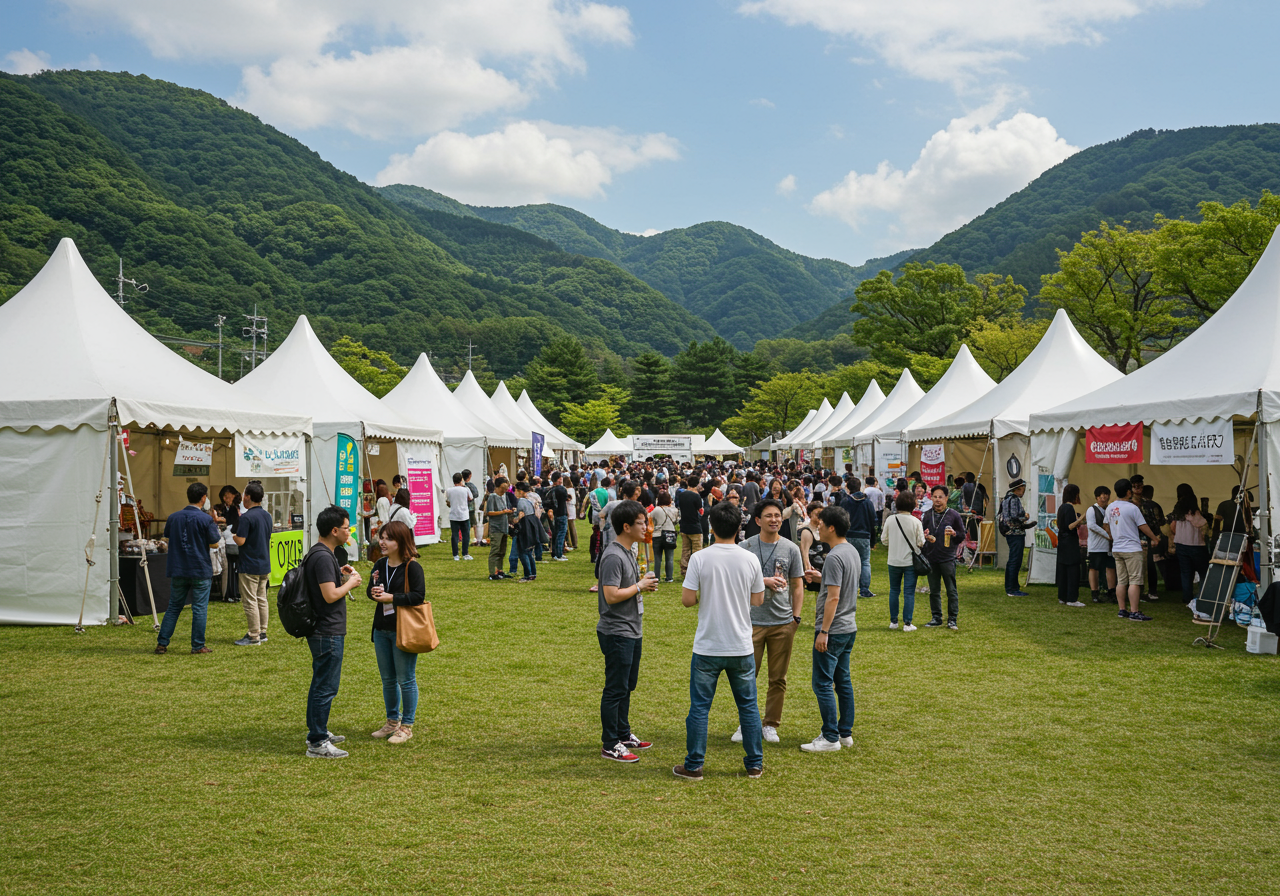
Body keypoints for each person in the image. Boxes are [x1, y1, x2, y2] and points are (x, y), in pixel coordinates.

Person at [675, 501, 766, 780]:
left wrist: (708, 598)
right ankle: (754, 763)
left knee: (700, 708)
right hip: (740, 644)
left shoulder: (700, 558)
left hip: (708, 645)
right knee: (748, 705)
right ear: (739, 527)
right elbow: (758, 599)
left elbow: (688, 600)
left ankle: (694, 765)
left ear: (710, 527)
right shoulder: (749, 558)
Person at [732, 498, 805, 746]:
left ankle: (771, 724)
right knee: (746, 676)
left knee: (778, 678)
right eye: (768, 516)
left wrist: (796, 617)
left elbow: (797, 584)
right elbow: (736, 582)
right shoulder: (744, 547)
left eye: (777, 515)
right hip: (751, 621)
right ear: (757, 520)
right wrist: (764, 581)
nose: (774, 520)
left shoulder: (791, 548)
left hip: (783, 623)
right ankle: (746, 722)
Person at [597, 499, 658, 763]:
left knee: (627, 685)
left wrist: (640, 586)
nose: (646, 526)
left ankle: (623, 733)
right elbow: (610, 596)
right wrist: (640, 587)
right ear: (626, 526)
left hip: (632, 628)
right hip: (617, 630)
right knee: (615, 687)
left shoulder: (629, 551)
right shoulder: (613, 555)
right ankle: (610, 743)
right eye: (641, 522)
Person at [304, 505, 363, 759]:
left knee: (322, 683)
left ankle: (318, 731)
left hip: (323, 628)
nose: (349, 531)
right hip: (326, 630)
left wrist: (338, 574)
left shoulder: (321, 554)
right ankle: (317, 742)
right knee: (325, 686)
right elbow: (329, 596)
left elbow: (322, 587)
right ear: (334, 530)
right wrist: (351, 583)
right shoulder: (323, 556)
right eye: (347, 527)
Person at [800, 505, 859, 752]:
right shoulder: (850, 550)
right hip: (848, 627)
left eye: (820, 524)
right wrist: (821, 577)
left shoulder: (834, 556)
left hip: (833, 629)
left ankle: (830, 737)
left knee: (823, 683)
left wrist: (823, 631)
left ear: (831, 527)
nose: (817, 527)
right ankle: (844, 733)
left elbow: (834, 597)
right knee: (842, 680)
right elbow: (842, 583)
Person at [367, 519, 425, 745]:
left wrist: (392, 598)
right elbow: (370, 593)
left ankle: (406, 726)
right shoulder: (380, 565)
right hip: (382, 629)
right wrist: (374, 592)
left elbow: (418, 596)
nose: (382, 542)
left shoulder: (412, 566)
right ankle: (392, 721)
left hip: (404, 630)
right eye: (381, 537)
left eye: (388, 538)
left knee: (406, 679)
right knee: (388, 679)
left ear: (400, 542)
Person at [154, 482, 223, 655]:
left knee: (174, 606)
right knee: (199, 608)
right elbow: (214, 543)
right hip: (199, 568)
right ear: (203, 498)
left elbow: (167, 539)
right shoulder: (206, 519)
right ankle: (198, 645)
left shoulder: (173, 517)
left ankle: (162, 643)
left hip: (178, 568)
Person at [1103, 478, 1157, 622]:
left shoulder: (1110, 507)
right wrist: (1155, 538)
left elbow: (1105, 525)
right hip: (1132, 548)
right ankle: (1135, 611)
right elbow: (1143, 526)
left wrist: (1113, 535)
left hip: (1117, 548)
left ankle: (1122, 610)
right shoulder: (1133, 508)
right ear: (1129, 491)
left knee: (1121, 581)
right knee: (1134, 581)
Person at [232, 481, 273, 646]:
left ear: (247, 497)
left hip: (249, 565)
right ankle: (262, 631)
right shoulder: (266, 515)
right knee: (261, 598)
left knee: (250, 600)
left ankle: (253, 635)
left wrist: (233, 536)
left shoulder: (247, 517)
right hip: (264, 563)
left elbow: (241, 541)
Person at [921, 484, 964, 628]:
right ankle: (936, 617)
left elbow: (962, 535)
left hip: (948, 557)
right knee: (934, 590)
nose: (937, 500)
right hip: (931, 557)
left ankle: (952, 619)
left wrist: (954, 534)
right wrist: (924, 536)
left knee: (951, 590)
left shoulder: (954, 515)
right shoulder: (927, 515)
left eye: (940, 497)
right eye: (935, 497)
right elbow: (921, 536)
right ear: (931, 498)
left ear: (946, 498)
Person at [882, 490, 925, 631]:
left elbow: (884, 540)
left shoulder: (890, 519)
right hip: (910, 562)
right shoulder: (916, 521)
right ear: (913, 505)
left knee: (894, 590)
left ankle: (893, 621)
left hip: (893, 560)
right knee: (909, 592)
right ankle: (907, 623)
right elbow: (921, 542)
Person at [1170, 484, 1210, 611]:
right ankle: (1202, 596)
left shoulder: (1177, 509)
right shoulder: (1192, 508)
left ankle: (1187, 598)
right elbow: (1200, 523)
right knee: (1203, 572)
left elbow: (1172, 527)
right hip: (1196, 545)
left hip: (1180, 544)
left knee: (1186, 572)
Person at [839, 477, 877, 600]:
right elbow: (873, 521)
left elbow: (840, 519)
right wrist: (873, 540)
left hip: (849, 535)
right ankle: (864, 589)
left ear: (848, 488)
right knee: (865, 562)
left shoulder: (845, 502)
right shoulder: (867, 502)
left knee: (849, 563)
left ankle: (850, 589)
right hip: (864, 536)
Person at [999, 478, 1035, 597]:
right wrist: (1025, 517)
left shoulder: (1006, 499)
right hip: (1015, 533)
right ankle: (1012, 589)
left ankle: (1012, 587)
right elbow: (1013, 517)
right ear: (1018, 489)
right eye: (1022, 490)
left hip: (1012, 533)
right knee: (1015, 560)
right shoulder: (1013, 500)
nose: (1023, 492)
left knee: (1013, 560)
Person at [1056, 484, 1086, 607]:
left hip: (1062, 541)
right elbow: (1070, 526)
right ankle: (1072, 598)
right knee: (1073, 570)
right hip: (1070, 542)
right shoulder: (1069, 508)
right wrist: (1080, 519)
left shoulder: (1062, 507)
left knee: (1063, 570)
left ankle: (1062, 596)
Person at [1086, 486, 1116, 603]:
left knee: (1111, 567)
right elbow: (1091, 526)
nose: (1103, 497)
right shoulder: (1092, 510)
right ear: (1097, 497)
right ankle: (1095, 593)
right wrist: (1107, 535)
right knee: (1094, 568)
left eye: (1106, 494)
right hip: (1096, 546)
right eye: (1101, 495)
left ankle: (1111, 592)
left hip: (1109, 546)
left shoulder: (1110, 509)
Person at [485, 477, 514, 581]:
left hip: (504, 527)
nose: (505, 489)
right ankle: (492, 572)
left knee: (502, 551)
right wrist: (503, 512)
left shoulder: (505, 496)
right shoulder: (492, 496)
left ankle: (500, 570)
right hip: (496, 528)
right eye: (503, 487)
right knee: (495, 551)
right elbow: (489, 512)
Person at [677, 473, 705, 577]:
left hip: (684, 526)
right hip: (695, 526)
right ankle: (696, 572)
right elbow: (701, 511)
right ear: (697, 484)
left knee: (685, 550)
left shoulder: (682, 495)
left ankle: (684, 571)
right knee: (697, 551)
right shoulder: (696, 496)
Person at [649, 492, 679, 583]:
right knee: (669, 558)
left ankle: (656, 577)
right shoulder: (674, 510)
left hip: (657, 534)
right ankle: (669, 577)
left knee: (657, 558)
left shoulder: (656, 509)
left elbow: (650, 518)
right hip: (670, 534)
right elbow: (677, 521)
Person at [513, 481, 539, 582]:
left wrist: (515, 520)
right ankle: (533, 573)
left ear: (520, 491)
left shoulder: (521, 501)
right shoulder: (529, 501)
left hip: (524, 528)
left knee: (523, 551)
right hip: (531, 527)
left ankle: (527, 574)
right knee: (529, 551)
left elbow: (520, 515)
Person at [446, 472, 473, 561]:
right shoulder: (465, 489)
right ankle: (465, 553)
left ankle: (455, 555)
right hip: (464, 515)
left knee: (455, 535)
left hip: (454, 515)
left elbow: (447, 501)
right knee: (466, 534)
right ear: (461, 480)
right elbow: (471, 498)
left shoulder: (449, 490)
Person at [548, 471, 570, 560]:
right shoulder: (562, 489)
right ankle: (559, 554)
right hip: (562, 512)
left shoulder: (551, 490)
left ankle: (555, 553)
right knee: (561, 534)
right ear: (559, 479)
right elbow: (566, 498)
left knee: (556, 534)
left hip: (555, 513)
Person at [463, 469, 483, 547]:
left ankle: (464, 537)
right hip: (470, 507)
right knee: (473, 523)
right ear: (470, 476)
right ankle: (473, 538)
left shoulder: (460, 485)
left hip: (463, 507)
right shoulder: (470, 485)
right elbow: (476, 494)